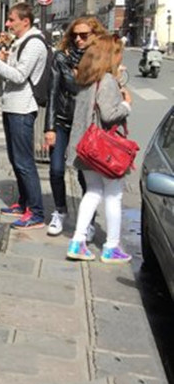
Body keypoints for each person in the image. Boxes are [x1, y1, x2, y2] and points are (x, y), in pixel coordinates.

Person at [0, 3, 48, 230]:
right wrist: (0, 57)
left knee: (24, 161)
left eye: (11, 20)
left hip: (22, 108)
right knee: (15, 158)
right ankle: (24, 203)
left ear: (25, 22)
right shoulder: (21, 42)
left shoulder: (34, 43)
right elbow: (9, 72)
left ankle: (36, 212)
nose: (8, 24)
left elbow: (19, 76)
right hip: (12, 106)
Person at [65, 34, 133, 263]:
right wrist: (126, 105)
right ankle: (111, 246)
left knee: (93, 192)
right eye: (118, 52)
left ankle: (78, 241)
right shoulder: (107, 80)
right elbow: (109, 114)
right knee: (114, 195)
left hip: (85, 148)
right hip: (104, 150)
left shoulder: (86, 80)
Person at [43, 16, 106, 237]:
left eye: (84, 35)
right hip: (61, 121)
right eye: (75, 35)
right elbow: (52, 92)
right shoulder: (62, 58)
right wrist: (49, 128)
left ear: (95, 35)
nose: (78, 39)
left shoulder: (101, 59)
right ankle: (60, 211)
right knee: (56, 169)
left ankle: (88, 220)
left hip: (87, 126)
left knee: (84, 175)